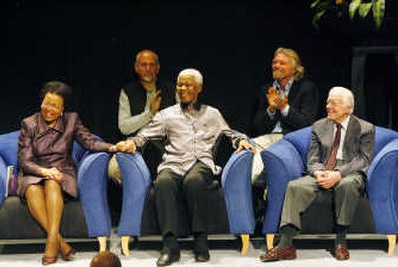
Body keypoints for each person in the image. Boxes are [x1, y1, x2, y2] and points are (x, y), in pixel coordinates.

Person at [118, 68, 255, 266]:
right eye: (179, 85)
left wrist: (241, 141)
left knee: (195, 181)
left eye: (187, 85)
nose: (182, 88)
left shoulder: (212, 114)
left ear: (198, 88)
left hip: (201, 162)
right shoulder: (166, 115)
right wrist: (132, 143)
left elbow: (229, 132)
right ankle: (170, 246)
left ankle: (200, 241)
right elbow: (144, 135)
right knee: (163, 182)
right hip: (173, 162)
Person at [17, 81, 128, 265]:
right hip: (35, 170)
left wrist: (112, 147)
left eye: (54, 105)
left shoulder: (71, 120)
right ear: (41, 102)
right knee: (32, 189)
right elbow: (25, 160)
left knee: (53, 182)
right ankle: (59, 241)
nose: (49, 109)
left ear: (62, 108)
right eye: (46, 103)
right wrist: (44, 171)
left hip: (62, 171)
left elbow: (90, 142)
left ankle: (52, 243)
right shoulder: (29, 124)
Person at [259, 87, 375, 262]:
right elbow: (312, 159)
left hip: (349, 171)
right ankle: (285, 245)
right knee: (295, 186)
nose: (328, 106)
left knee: (347, 185)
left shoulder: (365, 128)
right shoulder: (319, 126)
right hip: (323, 168)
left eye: (333, 103)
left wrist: (338, 174)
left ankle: (341, 242)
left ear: (348, 109)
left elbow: (363, 160)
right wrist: (318, 172)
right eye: (328, 102)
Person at [250, 47, 320, 183]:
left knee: (271, 155)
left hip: (291, 139)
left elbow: (306, 124)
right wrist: (271, 109)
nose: (276, 66)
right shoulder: (266, 89)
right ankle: (247, 195)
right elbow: (256, 126)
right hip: (267, 137)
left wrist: (283, 108)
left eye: (282, 63)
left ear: (295, 69)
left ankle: (269, 189)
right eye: (274, 62)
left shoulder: (306, 88)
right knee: (247, 153)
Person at [108, 49, 176, 183]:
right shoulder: (128, 91)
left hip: (167, 145)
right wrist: (149, 114)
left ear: (158, 67)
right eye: (144, 65)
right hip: (135, 146)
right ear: (136, 67)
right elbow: (124, 127)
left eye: (152, 65)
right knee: (114, 170)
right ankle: (139, 198)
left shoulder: (172, 89)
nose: (148, 69)